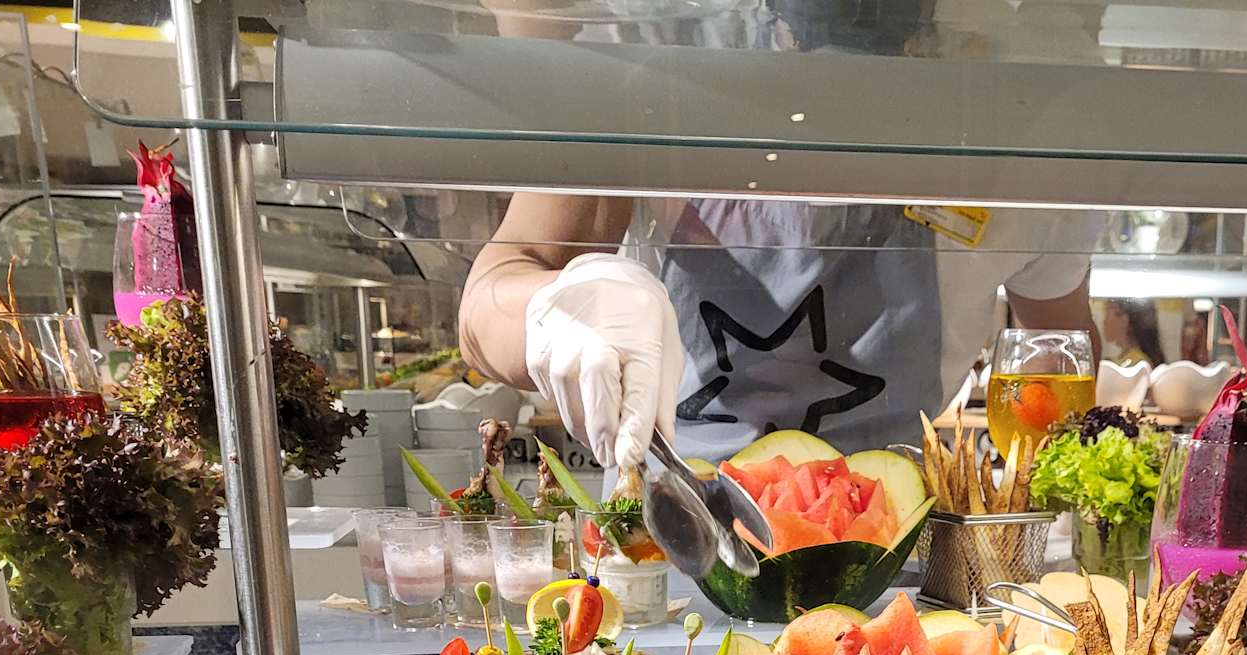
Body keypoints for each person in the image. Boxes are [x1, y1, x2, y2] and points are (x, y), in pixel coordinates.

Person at [458, 196, 1099, 469]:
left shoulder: (1014, 118)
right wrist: (558, 308)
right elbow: (481, 319)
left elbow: (1064, 366)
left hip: (904, 565)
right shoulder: (647, 69)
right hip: (666, 559)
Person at [1101, 298, 1165, 368]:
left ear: (1124, 319)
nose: (1104, 322)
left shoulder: (1136, 364)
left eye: (1107, 314)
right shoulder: (1128, 360)